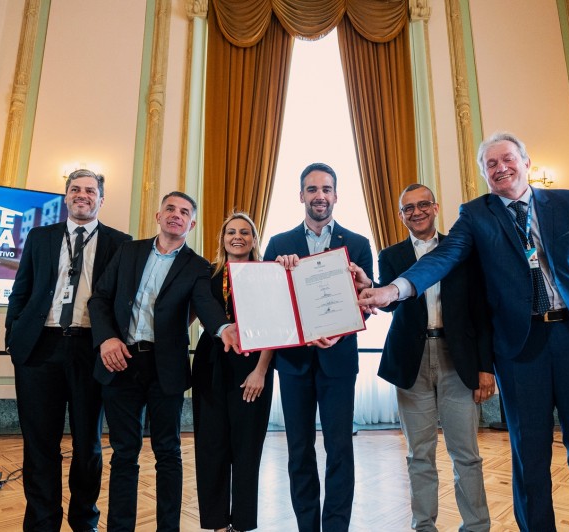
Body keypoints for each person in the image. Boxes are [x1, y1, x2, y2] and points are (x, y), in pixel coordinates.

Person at [358, 133, 569, 531]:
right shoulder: (476, 215)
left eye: (507, 159)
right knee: (529, 455)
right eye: (491, 164)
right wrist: (393, 290)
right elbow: (443, 258)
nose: (500, 168)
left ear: (526, 161)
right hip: (521, 351)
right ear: (485, 174)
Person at [87, 191, 241, 532]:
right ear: (158, 216)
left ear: (192, 223)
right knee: (124, 453)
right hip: (121, 362)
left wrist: (224, 327)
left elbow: (206, 304)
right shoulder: (129, 251)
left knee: (168, 453)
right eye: (170, 208)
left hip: (165, 368)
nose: (176, 215)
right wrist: (107, 338)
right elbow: (99, 298)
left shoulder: (199, 267)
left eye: (184, 211)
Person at [5, 169, 131, 532]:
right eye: (75, 189)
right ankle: (43, 522)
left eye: (90, 191)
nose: (82, 195)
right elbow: (21, 289)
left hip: (90, 349)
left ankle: (84, 521)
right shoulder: (40, 237)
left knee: (87, 444)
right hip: (38, 347)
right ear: (66, 196)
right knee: (39, 443)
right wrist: (13, 334)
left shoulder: (120, 243)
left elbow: (122, 301)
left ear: (101, 199)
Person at [375, 183, 495, 531]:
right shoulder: (390, 255)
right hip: (410, 360)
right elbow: (391, 302)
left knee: (466, 454)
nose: (416, 212)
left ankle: (476, 526)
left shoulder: (462, 250)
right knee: (419, 455)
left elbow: (481, 313)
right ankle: (423, 525)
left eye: (422, 204)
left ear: (436, 207)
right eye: (408, 208)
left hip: (458, 359)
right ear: (400, 216)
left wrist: (486, 367)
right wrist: (371, 288)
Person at [263, 162, 373, 532]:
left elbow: (366, 303)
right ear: (301, 196)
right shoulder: (279, 245)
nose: (319, 196)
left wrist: (339, 332)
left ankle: (336, 527)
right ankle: (307, 526)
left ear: (336, 196)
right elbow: (271, 305)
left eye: (326, 189)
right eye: (312, 189)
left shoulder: (357, 244)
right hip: (293, 364)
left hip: (338, 362)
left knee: (340, 450)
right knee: (299, 451)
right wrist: (278, 272)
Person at [192, 212, 274, 532]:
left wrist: (261, 371)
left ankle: (241, 524)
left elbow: (275, 326)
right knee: (211, 448)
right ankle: (216, 524)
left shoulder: (267, 275)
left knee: (246, 449)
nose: (237, 237)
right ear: (222, 238)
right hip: (211, 366)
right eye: (230, 232)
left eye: (244, 232)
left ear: (254, 239)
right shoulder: (207, 276)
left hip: (252, 368)